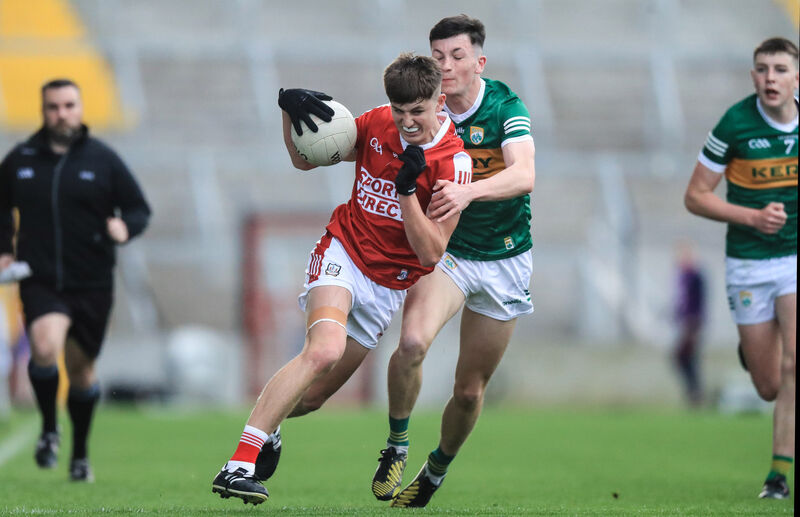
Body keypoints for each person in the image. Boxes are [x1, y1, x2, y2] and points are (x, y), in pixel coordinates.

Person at [210, 52, 472, 505]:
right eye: (400, 110)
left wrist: (407, 193)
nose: (407, 121)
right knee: (323, 350)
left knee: (310, 400)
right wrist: (289, 114)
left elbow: (432, 251)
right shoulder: (374, 123)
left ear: (440, 102)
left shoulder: (453, 164)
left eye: (418, 111)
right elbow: (305, 160)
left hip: (389, 285)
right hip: (343, 253)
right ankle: (237, 465)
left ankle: (267, 432)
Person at [366, 15, 536, 507]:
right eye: (438, 56)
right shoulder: (422, 111)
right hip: (449, 257)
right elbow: (377, 138)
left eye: (457, 56)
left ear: (479, 62)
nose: (446, 65)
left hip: (505, 259)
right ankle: (397, 444)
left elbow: (524, 174)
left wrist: (467, 191)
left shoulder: (505, 106)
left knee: (468, 390)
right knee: (413, 342)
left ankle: (435, 470)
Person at [0, 78, 151, 482]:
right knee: (44, 346)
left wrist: (125, 228)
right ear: (43, 110)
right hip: (41, 279)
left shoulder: (104, 160)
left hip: (92, 282)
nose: (61, 113)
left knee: (81, 369)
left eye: (68, 105)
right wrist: (5, 251)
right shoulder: (20, 159)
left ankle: (80, 452)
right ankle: (50, 429)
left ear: (80, 108)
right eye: (53, 107)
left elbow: (139, 209)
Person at [684, 37, 797, 500]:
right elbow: (695, 196)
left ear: (796, 77)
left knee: (795, 364)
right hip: (748, 264)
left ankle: (778, 474)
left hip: (793, 260)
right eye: (762, 69)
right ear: (753, 76)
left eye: (780, 69)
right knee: (769, 385)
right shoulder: (734, 124)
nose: (770, 78)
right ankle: (753, 355)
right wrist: (752, 217)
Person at [671, 240, 706, 407]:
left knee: (686, 357)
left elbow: (698, 302)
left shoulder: (696, 276)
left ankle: (695, 393)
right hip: (683, 323)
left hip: (691, 324)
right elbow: (680, 301)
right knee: (683, 358)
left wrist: (694, 324)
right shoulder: (681, 276)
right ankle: (694, 392)